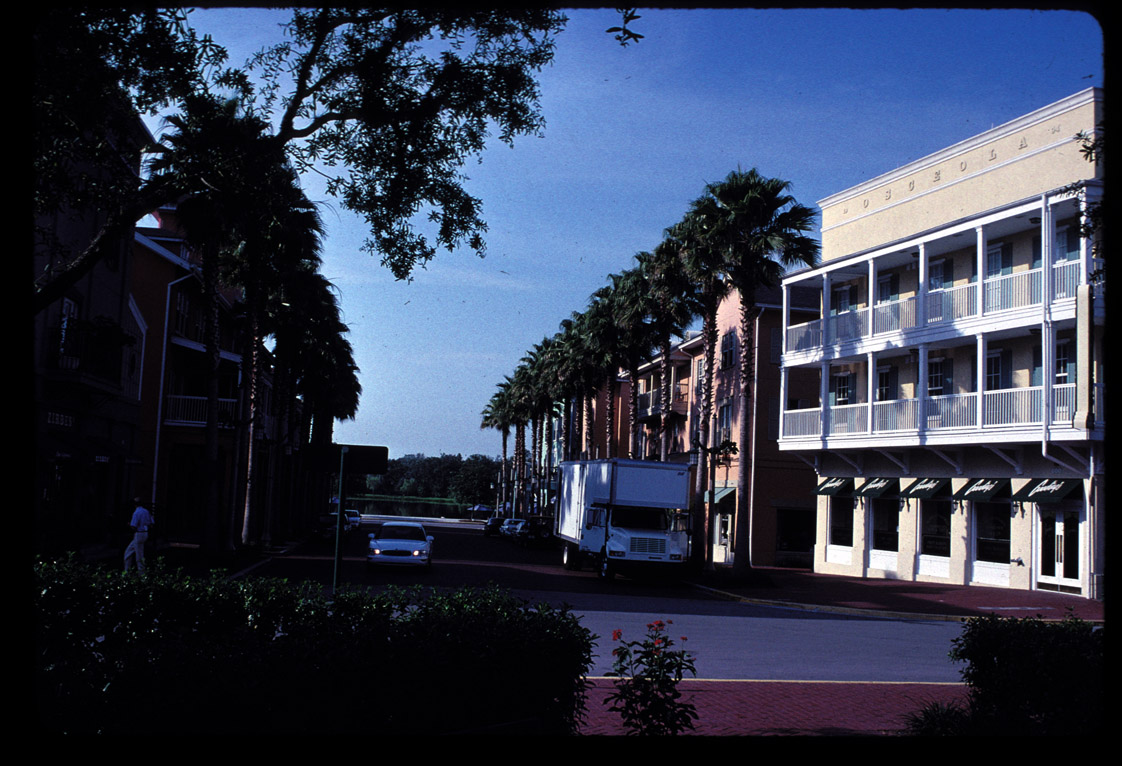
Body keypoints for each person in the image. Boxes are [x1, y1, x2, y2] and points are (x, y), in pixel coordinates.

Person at [124, 498, 155, 574]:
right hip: (145, 533)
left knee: (139, 555)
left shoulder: (136, 513)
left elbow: (133, 526)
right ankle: (127, 571)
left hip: (139, 534)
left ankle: (142, 573)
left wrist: (129, 525)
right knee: (128, 552)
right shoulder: (146, 511)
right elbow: (152, 524)